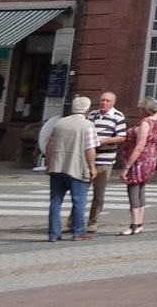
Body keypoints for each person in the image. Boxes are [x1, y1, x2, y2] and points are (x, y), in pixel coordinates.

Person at [43, 95, 100, 241]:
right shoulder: (87, 125)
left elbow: (49, 145)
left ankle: (53, 233)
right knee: (78, 200)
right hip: (76, 167)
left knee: (55, 201)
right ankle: (78, 231)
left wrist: (48, 163)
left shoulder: (60, 123)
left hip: (57, 166)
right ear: (87, 109)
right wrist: (92, 167)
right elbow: (90, 149)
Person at [115, 96, 157, 235]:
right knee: (141, 188)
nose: (138, 111)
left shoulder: (145, 124)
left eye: (140, 108)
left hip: (140, 160)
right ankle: (140, 223)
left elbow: (139, 147)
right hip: (151, 157)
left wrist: (126, 167)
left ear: (144, 110)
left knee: (133, 189)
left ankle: (134, 224)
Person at [86, 90, 128, 230]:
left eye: (107, 101)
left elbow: (122, 137)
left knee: (98, 193)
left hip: (105, 159)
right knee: (80, 192)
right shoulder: (92, 115)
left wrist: (107, 140)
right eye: (102, 100)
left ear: (113, 103)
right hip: (87, 159)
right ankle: (73, 221)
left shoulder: (117, 116)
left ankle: (93, 222)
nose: (104, 103)